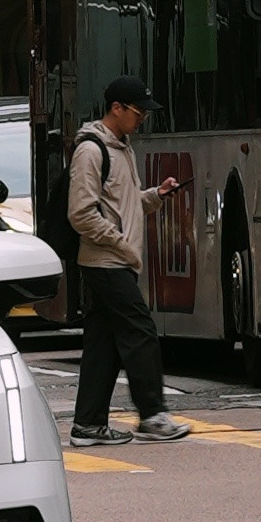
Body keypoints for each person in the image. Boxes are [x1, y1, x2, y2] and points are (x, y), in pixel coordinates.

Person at [63, 88, 173, 445]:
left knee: (104, 346)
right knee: (140, 332)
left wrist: (155, 196)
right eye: (138, 111)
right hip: (105, 261)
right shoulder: (91, 151)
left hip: (116, 260)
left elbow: (122, 206)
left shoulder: (122, 149)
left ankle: (88, 425)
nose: (142, 118)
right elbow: (81, 213)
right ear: (116, 107)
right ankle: (153, 416)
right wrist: (120, 244)